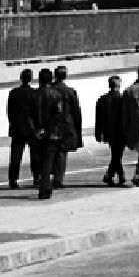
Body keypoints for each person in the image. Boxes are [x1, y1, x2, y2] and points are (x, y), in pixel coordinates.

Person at [37, 65, 83, 200]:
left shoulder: (48, 90)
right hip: (66, 126)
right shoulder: (69, 91)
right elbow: (76, 111)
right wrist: (78, 128)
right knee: (62, 153)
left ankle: (44, 178)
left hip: (48, 126)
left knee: (47, 154)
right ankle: (58, 179)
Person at [6, 68, 40, 190]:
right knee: (35, 156)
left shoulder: (13, 93)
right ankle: (37, 177)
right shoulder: (34, 93)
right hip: (31, 128)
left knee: (15, 156)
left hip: (17, 127)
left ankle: (13, 180)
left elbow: (9, 111)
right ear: (30, 78)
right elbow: (36, 112)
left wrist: (13, 123)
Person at [94, 73, 127, 186]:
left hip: (109, 131)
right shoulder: (123, 99)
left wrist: (98, 133)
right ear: (119, 85)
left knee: (116, 154)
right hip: (121, 131)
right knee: (117, 154)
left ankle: (114, 175)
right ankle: (113, 175)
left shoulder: (102, 99)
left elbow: (98, 119)